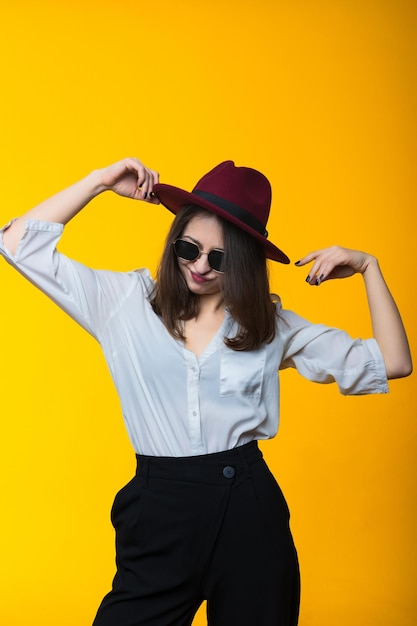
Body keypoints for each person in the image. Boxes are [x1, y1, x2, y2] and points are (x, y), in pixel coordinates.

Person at [0, 157, 412, 626]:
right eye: (188, 248)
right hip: (158, 510)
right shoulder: (124, 304)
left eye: (219, 258)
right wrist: (97, 183)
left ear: (244, 263)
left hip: (249, 515)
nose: (199, 266)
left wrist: (368, 268)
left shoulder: (269, 327)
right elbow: (16, 245)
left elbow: (393, 362)